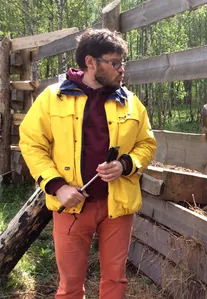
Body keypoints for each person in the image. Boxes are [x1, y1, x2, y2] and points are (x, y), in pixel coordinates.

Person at [19, 28, 157, 299]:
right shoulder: (52, 97)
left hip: (118, 206)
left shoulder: (130, 102)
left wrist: (126, 165)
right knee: (69, 285)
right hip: (71, 207)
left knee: (116, 281)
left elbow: (147, 144)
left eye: (123, 63)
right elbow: (31, 144)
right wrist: (57, 187)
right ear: (91, 62)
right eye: (114, 63)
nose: (121, 70)